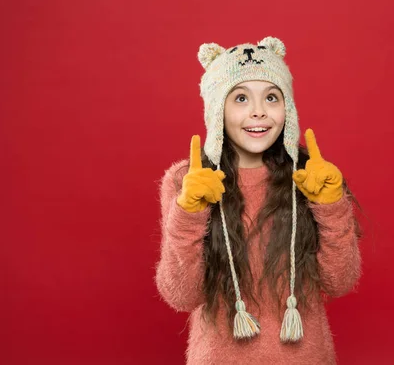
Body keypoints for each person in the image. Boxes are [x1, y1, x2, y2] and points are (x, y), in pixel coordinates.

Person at [155, 36, 362, 364]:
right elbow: (181, 295)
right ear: (216, 108)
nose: (258, 112)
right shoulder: (187, 181)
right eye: (240, 98)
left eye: (271, 97)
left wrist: (331, 207)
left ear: (287, 109)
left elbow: (339, 282)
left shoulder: (311, 175)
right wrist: (189, 213)